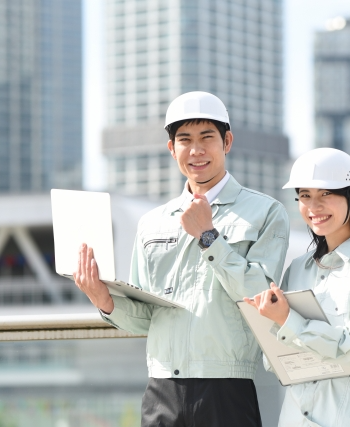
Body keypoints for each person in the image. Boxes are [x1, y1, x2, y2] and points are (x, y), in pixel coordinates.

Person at [73, 91, 290, 427]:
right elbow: (147, 318)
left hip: (227, 387)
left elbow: (261, 296)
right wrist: (104, 300)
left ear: (227, 142)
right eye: (185, 140)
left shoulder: (266, 213)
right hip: (162, 388)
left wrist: (209, 237)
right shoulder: (152, 223)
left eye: (207, 138)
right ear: (172, 149)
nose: (196, 150)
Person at [245, 148, 350, 427]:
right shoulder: (297, 268)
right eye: (305, 195)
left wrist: (289, 322)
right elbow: (274, 362)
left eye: (326, 194)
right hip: (297, 419)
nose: (313, 207)